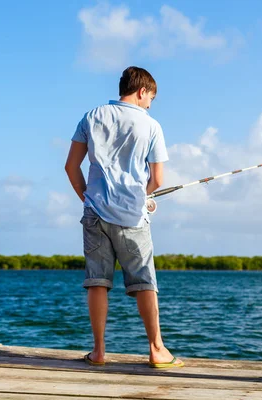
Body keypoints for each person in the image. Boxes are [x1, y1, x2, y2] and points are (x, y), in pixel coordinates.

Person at [64, 66, 183, 368]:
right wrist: (143, 197)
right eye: (151, 98)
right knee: (144, 281)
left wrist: (87, 197)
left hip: (95, 212)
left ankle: (99, 351)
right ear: (142, 91)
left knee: (97, 282)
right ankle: (156, 349)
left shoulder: (91, 116)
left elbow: (71, 167)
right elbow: (157, 178)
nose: (149, 104)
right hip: (132, 216)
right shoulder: (151, 125)